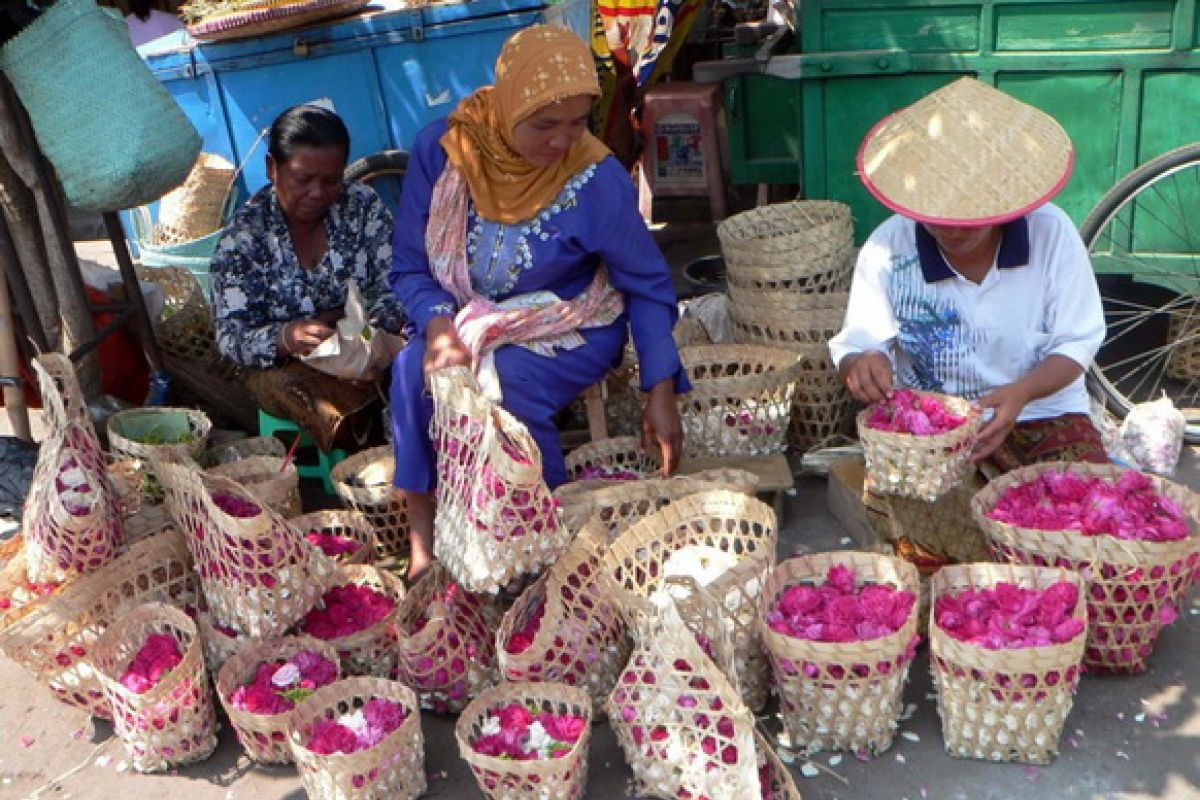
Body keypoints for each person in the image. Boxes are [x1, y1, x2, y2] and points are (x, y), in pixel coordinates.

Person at [389, 24, 688, 580]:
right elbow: (409, 267)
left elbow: (647, 285)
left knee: (508, 382)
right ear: (507, 106)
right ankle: (424, 547)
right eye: (545, 124)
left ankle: (544, 548)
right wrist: (436, 326)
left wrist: (660, 389)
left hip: (571, 322)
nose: (562, 141)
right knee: (411, 371)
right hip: (463, 318)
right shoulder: (445, 151)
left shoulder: (594, 178)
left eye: (577, 122)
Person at [829, 77, 1109, 472]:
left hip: (1041, 411)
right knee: (927, 530)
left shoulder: (1052, 234)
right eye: (936, 218)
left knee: (1083, 516)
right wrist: (862, 362)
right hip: (934, 426)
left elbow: (1076, 343)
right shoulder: (888, 247)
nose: (951, 229)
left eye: (970, 219)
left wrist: (1022, 392)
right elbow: (856, 345)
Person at [212, 104, 406, 452]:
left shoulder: (361, 206)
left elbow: (398, 280)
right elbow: (231, 337)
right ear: (273, 167)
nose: (318, 193)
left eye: (331, 179)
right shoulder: (244, 239)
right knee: (331, 407)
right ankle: (360, 464)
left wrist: (363, 335)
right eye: (303, 179)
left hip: (369, 347)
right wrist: (286, 336)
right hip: (287, 366)